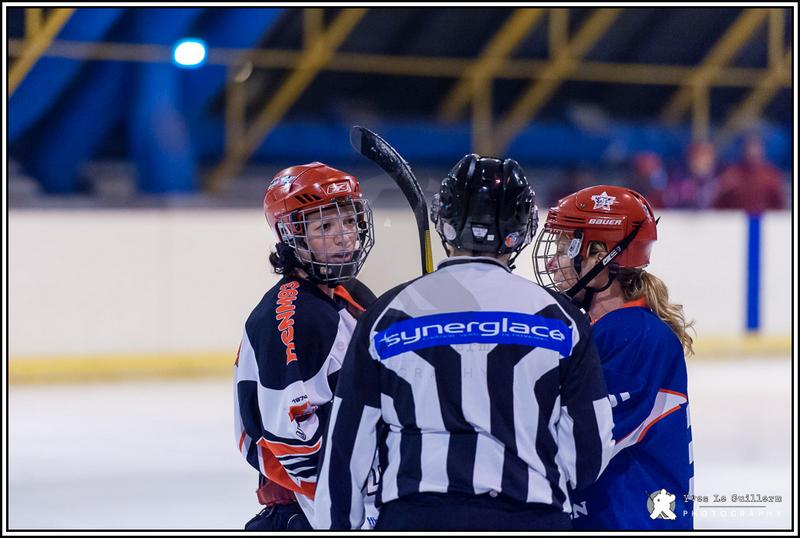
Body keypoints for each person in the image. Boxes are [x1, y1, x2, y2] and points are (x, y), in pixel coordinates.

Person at [314, 154, 615, 531]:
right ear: (520, 230)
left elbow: (347, 449)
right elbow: (590, 452)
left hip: (416, 518)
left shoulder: (386, 315)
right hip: (531, 518)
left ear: (447, 222)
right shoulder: (561, 318)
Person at [531, 185, 695, 529]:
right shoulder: (609, 328)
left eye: (565, 247)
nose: (551, 261)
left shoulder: (635, 336)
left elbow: (579, 446)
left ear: (601, 254)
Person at [233, 162, 379, 530]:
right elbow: (293, 447)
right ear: (291, 235)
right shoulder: (296, 314)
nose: (344, 236)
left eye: (348, 221)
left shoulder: (352, 297)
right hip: (304, 513)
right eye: (325, 226)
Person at [712, 134, 787, 213]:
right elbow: (719, 202)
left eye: (756, 148)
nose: (752, 152)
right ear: (744, 150)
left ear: (762, 150)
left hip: (766, 220)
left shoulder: (771, 174)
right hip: (735, 221)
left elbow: (780, 203)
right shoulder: (732, 173)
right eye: (750, 148)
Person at [662, 141, 719, 209]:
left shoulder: (721, 179)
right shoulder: (677, 181)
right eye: (697, 156)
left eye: (705, 157)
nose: (701, 161)